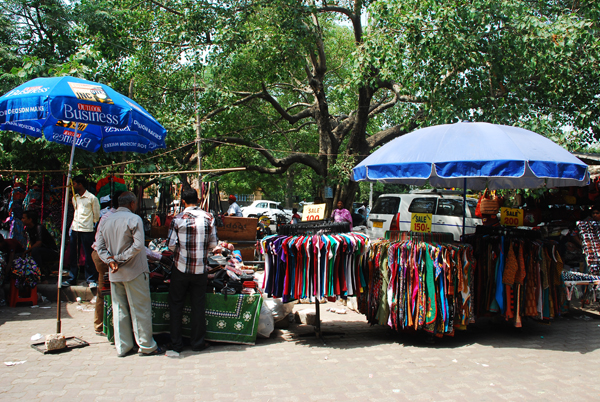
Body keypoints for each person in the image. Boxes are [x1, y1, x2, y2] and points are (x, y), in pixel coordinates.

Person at [97, 192, 162, 357]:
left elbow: (100, 248)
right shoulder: (134, 219)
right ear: (133, 203)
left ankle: (123, 346)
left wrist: (111, 261)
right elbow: (139, 245)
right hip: (134, 270)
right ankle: (146, 345)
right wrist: (119, 259)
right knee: (139, 308)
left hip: (115, 272)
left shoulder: (106, 220)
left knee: (119, 309)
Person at [167, 188, 218, 353]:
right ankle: (197, 343)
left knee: (176, 305)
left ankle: (176, 344)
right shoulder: (209, 217)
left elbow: (171, 245)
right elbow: (213, 244)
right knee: (198, 306)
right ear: (199, 200)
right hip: (200, 269)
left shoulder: (177, 219)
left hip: (180, 268)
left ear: (183, 201)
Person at [65, 175, 100, 288]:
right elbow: (76, 210)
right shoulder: (75, 198)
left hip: (87, 230)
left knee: (89, 255)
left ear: (80, 184)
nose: (73, 186)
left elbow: (96, 215)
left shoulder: (92, 198)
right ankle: (72, 278)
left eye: (74, 184)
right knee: (73, 255)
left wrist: (90, 224)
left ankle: (91, 279)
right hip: (76, 228)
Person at [22, 210, 58, 278]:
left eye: (24, 218)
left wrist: (26, 251)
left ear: (30, 219)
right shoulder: (28, 229)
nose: (22, 220)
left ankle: (41, 274)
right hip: (41, 251)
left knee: (35, 250)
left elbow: (38, 243)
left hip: (51, 251)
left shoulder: (39, 228)